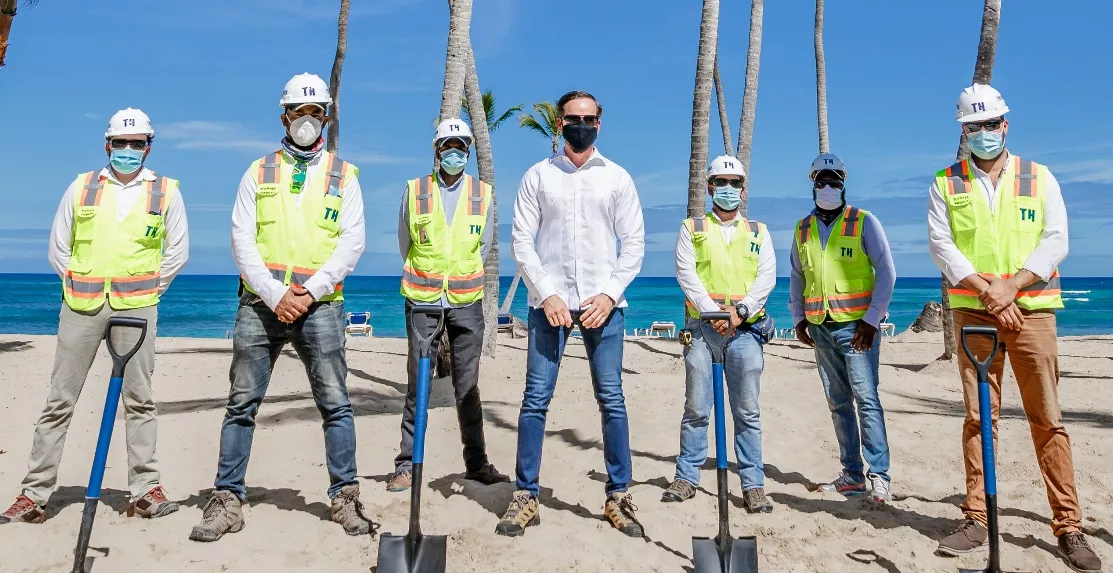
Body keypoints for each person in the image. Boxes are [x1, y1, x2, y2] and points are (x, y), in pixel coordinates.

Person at [189, 73, 371, 542]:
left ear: (326, 118)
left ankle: (345, 498)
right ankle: (228, 501)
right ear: (284, 117)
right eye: (298, 112)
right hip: (260, 304)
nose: (306, 121)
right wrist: (275, 293)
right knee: (241, 405)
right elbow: (241, 239)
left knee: (336, 404)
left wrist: (309, 291)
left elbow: (352, 242)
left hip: (322, 306)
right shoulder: (257, 171)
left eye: (315, 113)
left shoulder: (343, 175)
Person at [927, 84, 1101, 572]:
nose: (982, 133)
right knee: (979, 419)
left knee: (1047, 419)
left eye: (990, 124)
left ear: (1006, 124)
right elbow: (943, 245)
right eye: (973, 126)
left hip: (1032, 311)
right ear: (963, 130)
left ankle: (1069, 527)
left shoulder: (1039, 177)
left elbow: (1056, 239)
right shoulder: (946, 182)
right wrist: (989, 292)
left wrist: (1012, 288)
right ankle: (977, 518)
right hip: (975, 312)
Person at [0, 108, 189, 524]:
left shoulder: (166, 191)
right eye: (120, 143)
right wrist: (79, 284)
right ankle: (33, 494)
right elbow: (58, 249)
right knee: (59, 401)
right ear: (108, 145)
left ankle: (146, 490)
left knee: (140, 400)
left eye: (136, 143)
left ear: (148, 146)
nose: (127, 149)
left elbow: (177, 253)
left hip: (137, 309)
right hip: (81, 306)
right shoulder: (82, 186)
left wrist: (147, 291)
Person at [496, 90, 645, 538]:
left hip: (604, 306)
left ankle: (618, 497)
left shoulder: (617, 178)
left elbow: (633, 243)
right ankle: (525, 496)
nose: (581, 124)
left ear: (599, 123)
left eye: (589, 117)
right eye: (572, 117)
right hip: (550, 307)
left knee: (612, 399)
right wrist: (547, 294)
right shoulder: (537, 177)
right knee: (535, 400)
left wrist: (609, 293)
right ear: (560, 124)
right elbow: (522, 241)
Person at [387, 117, 510, 492]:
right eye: (448, 146)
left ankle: (476, 463)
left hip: (466, 302)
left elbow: (485, 246)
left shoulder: (483, 194)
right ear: (437, 151)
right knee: (418, 385)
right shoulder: (415, 190)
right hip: (423, 299)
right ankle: (406, 465)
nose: (454, 152)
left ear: (469, 152)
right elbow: (405, 242)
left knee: (467, 387)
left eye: (461, 147)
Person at [662, 155, 776, 514]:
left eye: (735, 183)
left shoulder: (758, 231)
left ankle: (753, 485)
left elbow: (766, 278)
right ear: (710, 187)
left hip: (744, 331)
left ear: (743, 189)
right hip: (702, 328)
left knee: (747, 411)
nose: (729, 189)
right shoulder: (692, 228)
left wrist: (739, 313)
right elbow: (686, 272)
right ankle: (687, 477)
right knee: (696, 408)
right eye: (722, 182)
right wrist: (712, 312)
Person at [789, 153, 896, 504]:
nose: (828, 186)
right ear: (813, 183)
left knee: (867, 401)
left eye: (835, 180)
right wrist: (798, 318)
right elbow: (798, 276)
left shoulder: (864, 221)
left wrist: (872, 319)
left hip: (858, 330)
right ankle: (851, 475)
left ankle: (879, 476)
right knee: (838, 403)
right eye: (822, 180)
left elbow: (886, 273)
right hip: (820, 328)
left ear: (844, 183)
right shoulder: (802, 228)